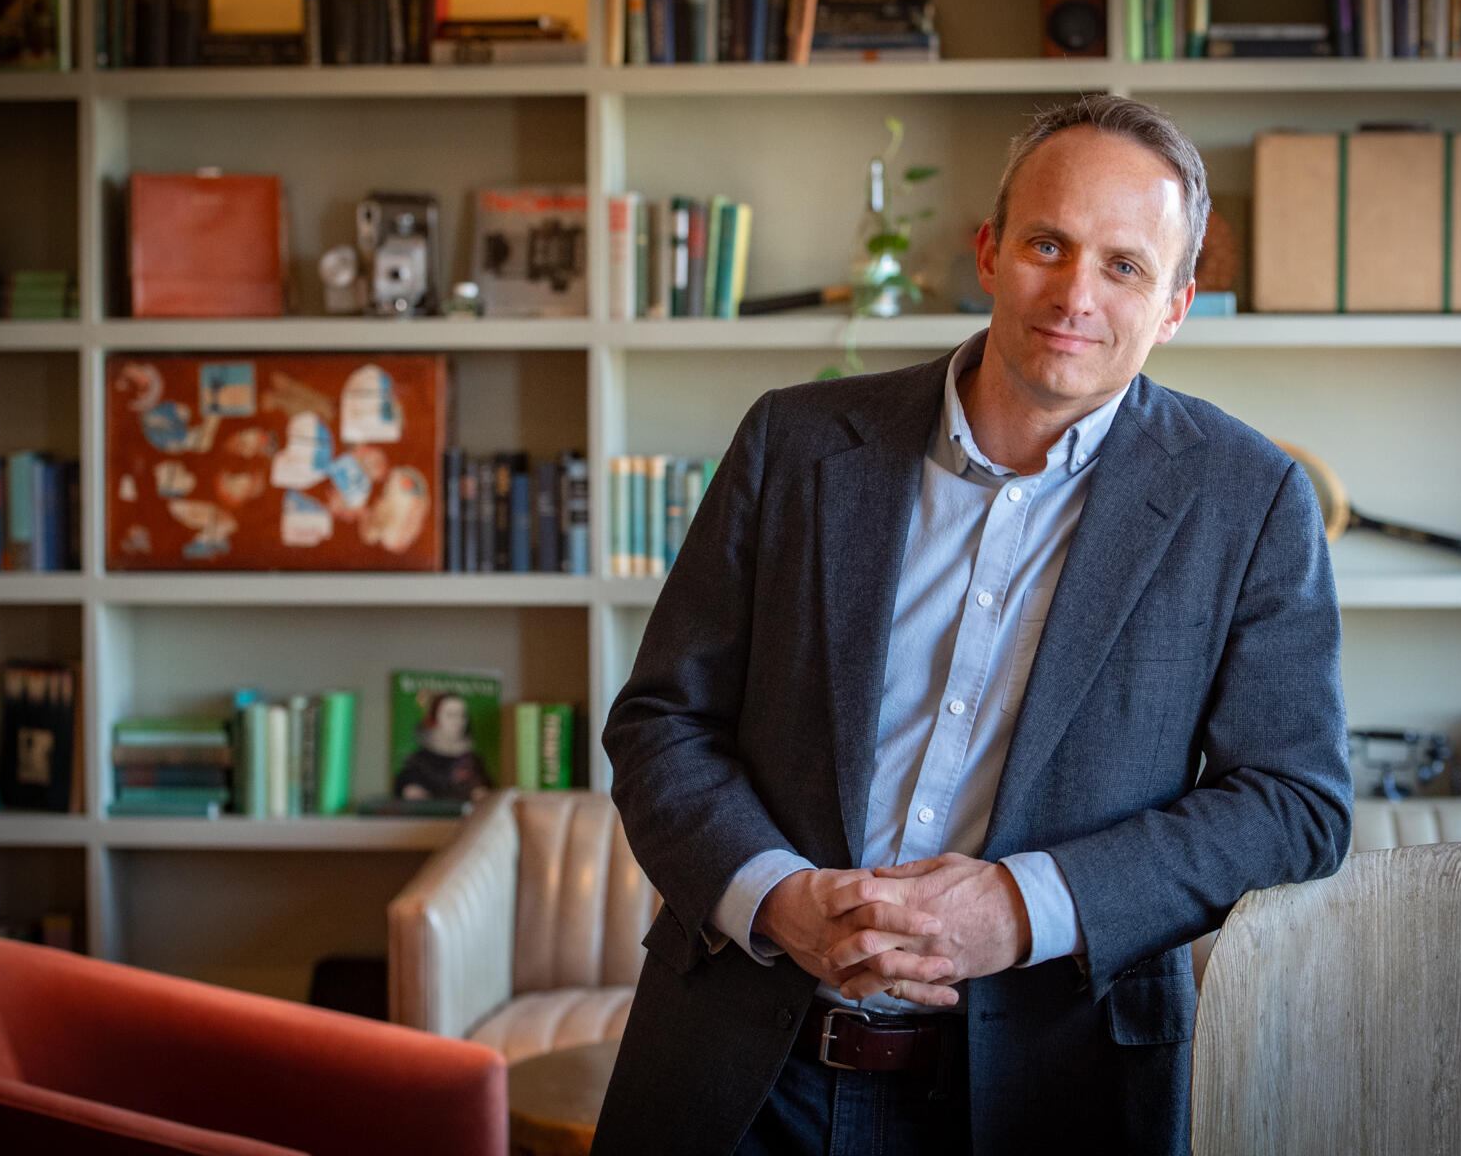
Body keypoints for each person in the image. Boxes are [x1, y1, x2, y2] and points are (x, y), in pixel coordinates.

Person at [593, 95, 1353, 1155]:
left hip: (1047, 1082)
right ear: (991, 252)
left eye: (1126, 267)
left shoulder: (1250, 499)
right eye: (1049, 243)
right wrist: (778, 898)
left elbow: (1295, 802)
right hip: (743, 1070)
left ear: (1176, 305)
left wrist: (1023, 906)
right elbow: (661, 722)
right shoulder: (796, 444)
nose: (1077, 293)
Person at [393, 693, 489, 800]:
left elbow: (488, 794)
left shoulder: (474, 761)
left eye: (462, 715)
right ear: (433, 719)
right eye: (450, 715)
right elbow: (408, 793)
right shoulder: (417, 762)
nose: (458, 721)